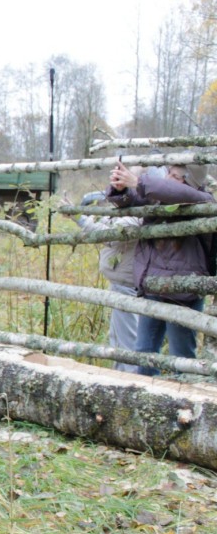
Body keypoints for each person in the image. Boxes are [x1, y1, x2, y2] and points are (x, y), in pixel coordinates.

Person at [107, 160, 215, 376]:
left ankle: (187, 403)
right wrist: (122, 189)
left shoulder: (203, 200)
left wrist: (138, 181)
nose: (168, 179)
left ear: (190, 182)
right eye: (169, 174)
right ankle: (146, 401)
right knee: (144, 353)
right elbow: (135, 199)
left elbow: (175, 192)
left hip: (183, 292)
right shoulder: (162, 197)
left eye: (175, 176)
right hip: (154, 285)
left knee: (182, 356)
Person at [72, 190, 141, 372]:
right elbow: (112, 227)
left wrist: (80, 218)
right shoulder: (133, 211)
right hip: (123, 282)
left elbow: (111, 234)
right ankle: (122, 379)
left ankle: (129, 382)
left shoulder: (137, 213)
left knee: (126, 343)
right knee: (119, 338)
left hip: (126, 285)